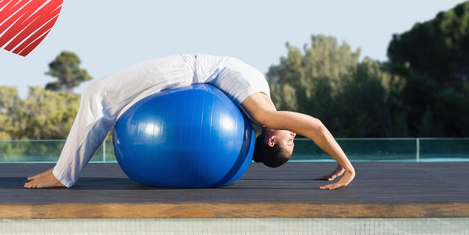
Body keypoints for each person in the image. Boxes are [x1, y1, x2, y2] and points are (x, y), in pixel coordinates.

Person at [25, 54, 355, 190]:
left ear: (271, 139)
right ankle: (65, 169)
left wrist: (346, 166)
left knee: (96, 94)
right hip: (192, 71)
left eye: (291, 141)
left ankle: (62, 174)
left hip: (188, 71)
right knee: (102, 95)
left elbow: (317, 126)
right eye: (295, 141)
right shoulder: (260, 106)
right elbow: (311, 128)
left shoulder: (262, 114)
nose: (295, 134)